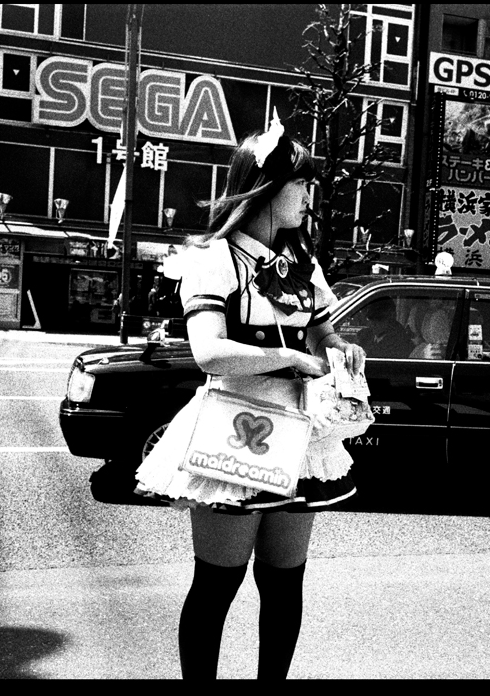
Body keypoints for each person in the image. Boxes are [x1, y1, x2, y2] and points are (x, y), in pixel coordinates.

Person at [133, 113, 366, 680]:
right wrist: (291, 358)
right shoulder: (213, 259)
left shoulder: (301, 262)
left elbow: (319, 330)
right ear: (268, 187)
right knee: (218, 585)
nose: (310, 193)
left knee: (285, 585)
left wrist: (339, 350)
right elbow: (209, 352)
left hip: (297, 431)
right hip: (233, 428)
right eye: (302, 182)